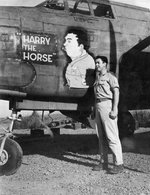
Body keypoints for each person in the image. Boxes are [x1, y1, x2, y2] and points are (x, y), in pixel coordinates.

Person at [93, 55, 124, 174]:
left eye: (98, 63)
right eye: (96, 63)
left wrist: (115, 108)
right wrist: (93, 110)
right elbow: (96, 95)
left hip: (107, 105)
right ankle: (103, 162)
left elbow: (116, 92)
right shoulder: (97, 77)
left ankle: (119, 164)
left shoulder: (110, 77)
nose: (96, 65)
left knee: (112, 136)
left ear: (105, 64)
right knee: (101, 137)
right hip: (98, 106)